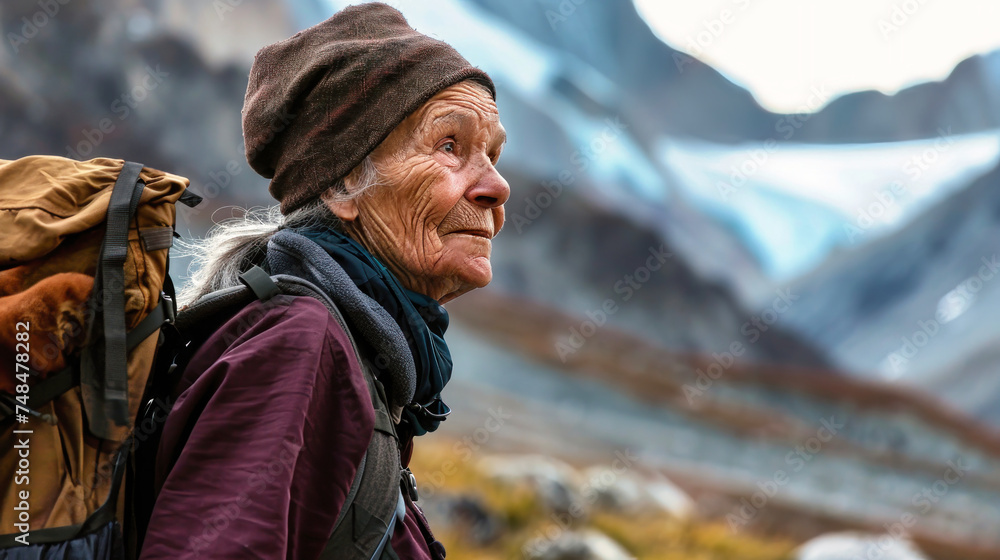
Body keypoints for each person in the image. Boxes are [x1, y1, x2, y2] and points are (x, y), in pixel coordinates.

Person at [138, 3, 508, 558]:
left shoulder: (358, 351)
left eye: (493, 154)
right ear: (341, 185)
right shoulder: (301, 346)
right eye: (449, 146)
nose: (496, 186)